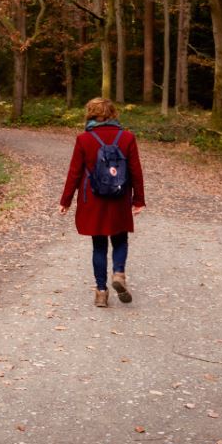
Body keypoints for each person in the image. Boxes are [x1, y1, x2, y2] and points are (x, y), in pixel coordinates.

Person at [60, 98, 145, 307]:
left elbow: (74, 172)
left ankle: (100, 292)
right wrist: (139, 200)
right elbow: (135, 171)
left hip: (93, 198)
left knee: (98, 245)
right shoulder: (127, 137)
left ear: (90, 113)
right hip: (119, 196)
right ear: (113, 113)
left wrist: (66, 200)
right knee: (120, 238)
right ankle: (118, 273)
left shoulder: (84, 139)